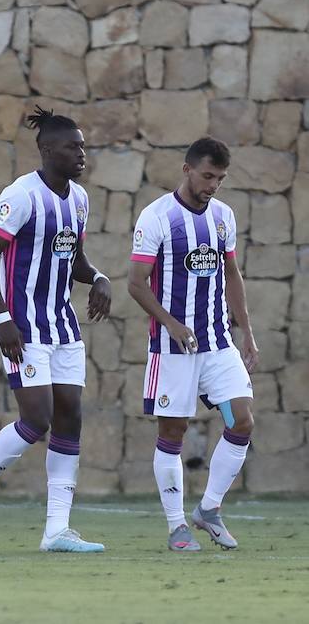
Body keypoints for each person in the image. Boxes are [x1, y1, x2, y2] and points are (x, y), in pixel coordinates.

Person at [0, 107, 112, 553]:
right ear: (45, 150)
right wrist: (1, 318)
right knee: (36, 418)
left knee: (69, 419)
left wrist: (99, 277)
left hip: (64, 327)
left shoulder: (79, 199)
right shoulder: (21, 195)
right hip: (22, 327)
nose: (81, 153)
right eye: (71, 146)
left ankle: (56, 531)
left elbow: (72, 258)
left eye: (82, 146)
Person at [128, 137, 258, 551]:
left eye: (220, 178)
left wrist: (247, 332)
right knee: (173, 431)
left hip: (218, 343)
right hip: (173, 349)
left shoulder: (223, 217)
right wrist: (172, 324)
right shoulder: (157, 217)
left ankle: (209, 510)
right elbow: (135, 283)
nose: (213, 185)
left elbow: (232, 274)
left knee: (241, 421)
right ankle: (176, 526)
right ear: (187, 170)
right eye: (207, 176)